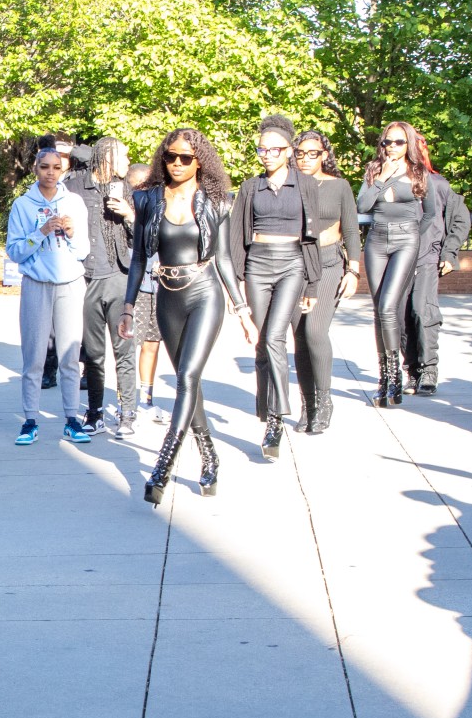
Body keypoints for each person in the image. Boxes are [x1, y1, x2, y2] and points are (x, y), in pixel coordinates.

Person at [121, 129, 248, 502]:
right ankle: (210, 457)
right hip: (166, 296)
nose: (177, 163)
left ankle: (162, 468)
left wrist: (242, 310)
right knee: (186, 383)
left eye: (185, 158)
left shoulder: (217, 201)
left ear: (200, 162)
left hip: (205, 293)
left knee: (188, 376)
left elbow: (223, 258)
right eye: (171, 157)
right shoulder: (146, 199)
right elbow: (140, 258)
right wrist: (128, 306)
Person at [230, 115, 316, 458]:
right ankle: (267, 407)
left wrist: (312, 282)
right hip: (258, 264)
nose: (265, 154)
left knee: (276, 337)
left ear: (288, 151)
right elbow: (238, 234)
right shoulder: (251, 187)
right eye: (261, 149)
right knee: (262, 345)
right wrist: (236, 280)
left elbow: (312, 237)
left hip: (292, 263)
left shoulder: (305, 184)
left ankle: (276, 420)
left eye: (273, 149)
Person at [7, 148, 91, 445]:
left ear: (64, 170)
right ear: (35, 169)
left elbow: (83, 251)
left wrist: (70, 232)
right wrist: (40, 231)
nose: (51, 173)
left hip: (70, 283)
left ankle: (71, 418)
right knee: (34, 356)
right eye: (44, 167)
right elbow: (15, 251)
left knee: (70, 355)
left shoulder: (74, 202)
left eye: (57, 167)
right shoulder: (22, 205)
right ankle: (30, 420)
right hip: (36, 284)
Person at [359, 122, 440, 407]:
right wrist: (383, 177)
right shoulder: (374, 171)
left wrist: (414, 237)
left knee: (388, 307)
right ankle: (385, 378)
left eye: (398, 142)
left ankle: (395, 375)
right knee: (378, 309)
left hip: (406, 239)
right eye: (387, 143)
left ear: (409, 145)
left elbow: (430, 213)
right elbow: (362, 206)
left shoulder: (419, 173)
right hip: (377, 240)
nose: (392, 147)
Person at [290, 130, 362, 433]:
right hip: (293, 264)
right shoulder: (287, 185)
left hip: (329, 262)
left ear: (324, 155)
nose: (306, 158)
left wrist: (353, 271)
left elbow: (352, 229)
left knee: (316, 331)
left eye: (313, 153)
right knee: (300, 337)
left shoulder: (339, 186)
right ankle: (307, 403)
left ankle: (324, 400)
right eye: (301, 153)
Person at [79, 137, 139, 439]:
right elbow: (69, 155)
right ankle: (95, 412)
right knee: (92, 353)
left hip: (119, 276)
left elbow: (142, 237)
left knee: (124, 349)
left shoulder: (128, 190)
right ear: (106, 158)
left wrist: (129, 214)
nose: (128, 161)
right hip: (86, 279)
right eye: (123, 156)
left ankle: (128, 412)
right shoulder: (77, 186)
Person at [403, 150, 470, 395]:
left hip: (427, 258)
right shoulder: (388, 182)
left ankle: (428, 368)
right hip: (396, 259)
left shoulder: (439, 184)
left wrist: (449, 252)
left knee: (423, 310)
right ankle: (411, 370)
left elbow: (461, 219)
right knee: (399, 317)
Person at [122, 162, 167, 421]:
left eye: (149, 185)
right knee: (129, 344)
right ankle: (126, 400)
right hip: (136, 285)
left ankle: (147, 399)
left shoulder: (161, 204)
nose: (145, 191)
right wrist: (129, 215)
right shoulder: (125, 209)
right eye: (139, 186)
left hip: (159, 284)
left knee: (152, 343)